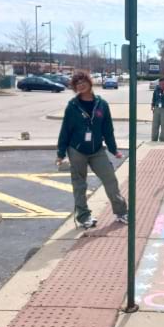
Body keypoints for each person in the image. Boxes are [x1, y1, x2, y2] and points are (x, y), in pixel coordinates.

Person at [56, 71, 128, 229]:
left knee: (110, 180)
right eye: (77, 84)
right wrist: (60, 154)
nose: (80, 85)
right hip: (77, 151)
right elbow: (65, 131)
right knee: (80, 185)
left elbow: (108, 130)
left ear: (89, 82)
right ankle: (84, 217)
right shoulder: (72, 107)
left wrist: (113, 149)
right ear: (75, 88)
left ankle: (121, 212)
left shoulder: (102, 105)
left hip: (97, 150)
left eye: (82, 81)